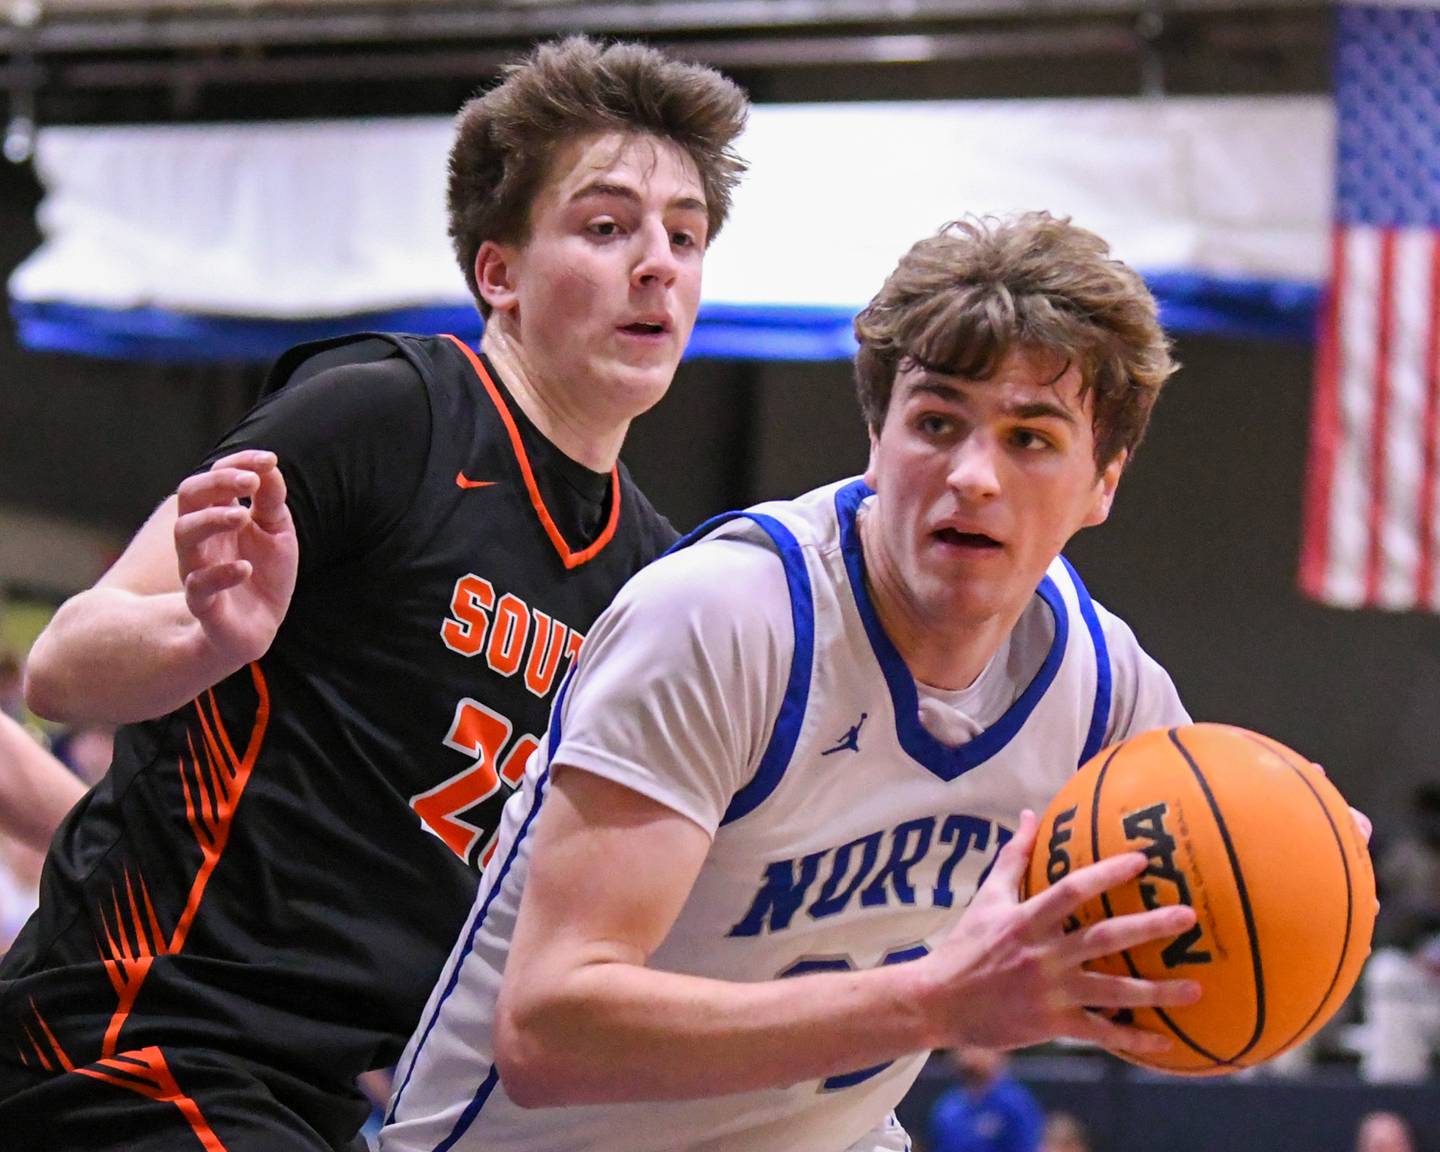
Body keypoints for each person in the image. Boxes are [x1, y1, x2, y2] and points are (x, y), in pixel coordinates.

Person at [0, 36, 748, 1152]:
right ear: (499, 272)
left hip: (325, 1095)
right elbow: (66, 661)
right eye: (606, 227)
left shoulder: (657, 576)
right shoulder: (386, 415)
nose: (657, 265)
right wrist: (204, 637)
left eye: (683, 237)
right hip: (132, 1039)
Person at [379, 212, 1202, 1152]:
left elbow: (1204, 972)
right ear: (877, 438)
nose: (974, 474)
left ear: (1103, 482)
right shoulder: (728, 618)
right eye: (937, 422)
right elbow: (546, 1029)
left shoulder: (1104, 689)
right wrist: (930, 1003)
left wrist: (1305, 894)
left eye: (1031, 438)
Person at [926, 1047, 1044, 1152]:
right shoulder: (947, 1106)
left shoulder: (1015, 1102)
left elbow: (1027, 1145)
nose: (969, 1055)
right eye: (964, 1048)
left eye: (977, 1048)